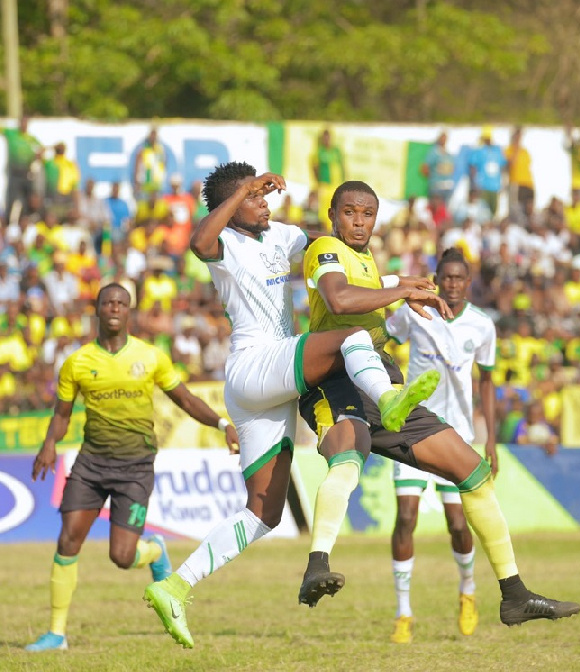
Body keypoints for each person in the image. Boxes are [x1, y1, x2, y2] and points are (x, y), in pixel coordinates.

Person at [142, 161, 447, 649]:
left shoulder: (282, 237)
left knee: (264, 513)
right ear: (232, 203)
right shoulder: (222, 244)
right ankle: (389, 401)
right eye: (253, 198)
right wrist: (242, 186)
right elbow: (198, 242)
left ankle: (175, 586)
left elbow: (335, 255)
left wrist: (398, 281)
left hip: (276, 379)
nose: (264, 203)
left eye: (264, 195)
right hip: (255, 363)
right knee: (347, 337)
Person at [296, 180, 580, 627]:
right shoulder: (325, 247)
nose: (358, 221)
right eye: (349, 212)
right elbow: (339, 297)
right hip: (337, 379)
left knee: (473, 472)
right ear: (333, 215)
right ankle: (316, 565)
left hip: (384, 382)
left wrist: (401, 282)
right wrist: (402, 292)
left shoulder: (367, 260)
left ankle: (514, 594)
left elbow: (368, 288)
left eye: (367, 214)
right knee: (347, 461)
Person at [25, 283, 240, 652]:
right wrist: (49, 444)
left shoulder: (150, 356)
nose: (114, 307)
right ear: (97, 309)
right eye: (107, 302)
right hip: (91, 463)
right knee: (67, 540)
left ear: (129, 312)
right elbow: (62, 413)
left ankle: (154, 549)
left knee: (122, 557)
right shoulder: (77, 362)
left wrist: (223, 425)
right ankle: (56, 633)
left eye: (121, 303)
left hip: (135, 467)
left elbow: (186, 399)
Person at [384, 247, 498, 644]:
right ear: (436, 278)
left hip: (458, 437)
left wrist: (491, 442)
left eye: (459, 278)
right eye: (445, 277)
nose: (451, 284)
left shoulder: (482, 326)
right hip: (412, 430)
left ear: (468, 282)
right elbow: (384, 336)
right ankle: (404, 613)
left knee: (456, 524)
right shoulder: (417, 312)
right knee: (406, 518)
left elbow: (486, 381)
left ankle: (467, 590)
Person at [1, 116, 43, 222]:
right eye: (22, 123)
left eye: (26, 123)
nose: (24, 125)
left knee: (29, 198)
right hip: (14, 172)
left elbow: (41, 148)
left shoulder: (30, 138)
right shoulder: (11, 134)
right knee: (11, 198)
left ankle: (27, 220)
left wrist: (37, 156)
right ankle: (7, 222)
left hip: (26, 173)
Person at [467, 126, 507, 218]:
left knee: (494, 211)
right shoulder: (479, 150)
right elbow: (473, 167)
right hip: (483, 186)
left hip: (495, 187)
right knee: (483, 211)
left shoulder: (497, 151)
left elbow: (503, 167)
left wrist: (503, 183)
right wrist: (475, 184)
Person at [311, 129, 345, 231]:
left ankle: (335, 230)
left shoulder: (336, 151)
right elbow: (315, 167)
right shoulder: (319, 152)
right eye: (324, 138)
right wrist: (318, 182)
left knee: (337, 207)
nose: (326, 140)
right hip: (324, 185)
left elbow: (342, 166)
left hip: (336, 185)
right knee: (324, 211)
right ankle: (325, 232)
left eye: (328, 137)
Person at [421, 130, 456, 206]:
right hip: (436, 186)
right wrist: (434, 178)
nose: (444, 140)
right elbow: (424, 168)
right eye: (442, 138)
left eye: (445, 138)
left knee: (443, 211)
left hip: (447, 186)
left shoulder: (448, 153)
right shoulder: (434, 152)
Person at [133, 126, 168, 199]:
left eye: (155, 135)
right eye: (152, 135)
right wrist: (137, 182)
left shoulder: (160, 150)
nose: (153, 137)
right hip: (145, 184)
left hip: (157, 185)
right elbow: (137, 166)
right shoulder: (143, 149)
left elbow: (164, 164)